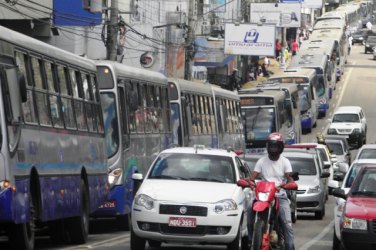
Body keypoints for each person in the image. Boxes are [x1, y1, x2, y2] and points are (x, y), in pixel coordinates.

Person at [247, 132, 296, 250]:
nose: (273, 148)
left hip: (279, 194)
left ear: (281, 147)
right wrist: (250, 184)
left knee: (287, 224)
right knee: (249, 209)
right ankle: (250, 241)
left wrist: (288, 185)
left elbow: (290, 180)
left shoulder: (285, 162)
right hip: (263, 194)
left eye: (276, 146)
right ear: (267, 146)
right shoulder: (261, 161)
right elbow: (252, 178)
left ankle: (290, 247)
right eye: (271, 145)